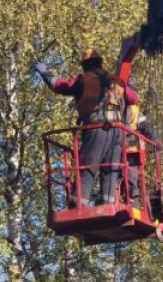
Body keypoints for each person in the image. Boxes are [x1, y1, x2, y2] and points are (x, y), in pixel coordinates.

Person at [35, 49, 139, 206]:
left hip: (97, 128)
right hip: (118, 132)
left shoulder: (84, 80)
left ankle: (78, 204)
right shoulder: (116, 81)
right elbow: (133, 97)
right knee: (111, 170)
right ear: (100, 62)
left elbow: (59, 85)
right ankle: (107, 204)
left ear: (85, 65)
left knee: (88, 167)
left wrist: (44, 72)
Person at [125, 104, 158, 205]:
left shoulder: (132, 109)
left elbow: (145, 126)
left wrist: (155, 139)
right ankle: (132, 201)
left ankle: (134, 202)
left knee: (131, 178)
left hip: (128, 152)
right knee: (130, 178)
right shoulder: (132, 109)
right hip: (125, 152)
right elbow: (144, 126)